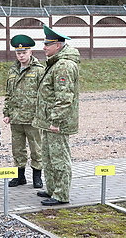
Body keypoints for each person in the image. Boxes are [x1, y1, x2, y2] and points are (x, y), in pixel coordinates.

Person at [33, 25, 80, 206]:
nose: (44, 47)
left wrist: (56, 120)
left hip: (56, 123)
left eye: (47, 44)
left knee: (59, 157)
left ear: (58, 46)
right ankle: (52, 188)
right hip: (48, 121)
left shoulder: (64, 66)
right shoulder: (55, 63)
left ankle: (61, 194)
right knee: (49, 156)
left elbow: (65, 97)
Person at [3, 35, 44, 188]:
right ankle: (20, 176)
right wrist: (6, 113)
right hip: (16, 117)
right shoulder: (13, 70)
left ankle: (37, 177)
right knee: (18, 149)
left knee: (36, 148)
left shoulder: (39, 70)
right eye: (18, 53)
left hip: (32, 118)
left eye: (24, 53)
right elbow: (9, 93)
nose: (21, 56)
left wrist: (41, 114)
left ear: (30, 52)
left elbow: (44, 95)